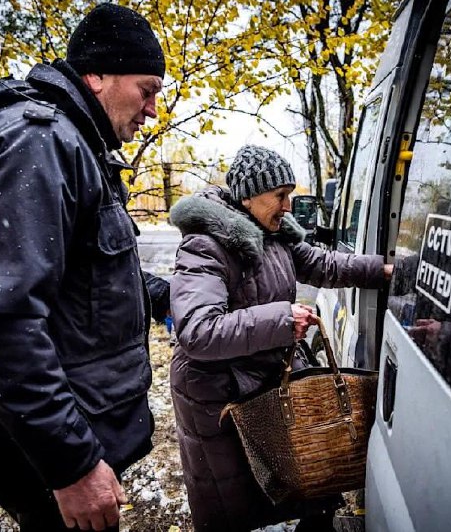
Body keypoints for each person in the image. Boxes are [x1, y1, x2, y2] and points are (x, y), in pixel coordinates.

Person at [0, 4, 169, 531]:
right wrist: (72, 465)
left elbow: (80, 278)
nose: (153, 109)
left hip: (74, 433)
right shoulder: (37, 141)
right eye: (147, 88)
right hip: (48, 459)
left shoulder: (74, 144)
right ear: (97, 76)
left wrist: (163, 296)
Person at [168, 145, 394, 531]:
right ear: (247, 196)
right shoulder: (205, 245)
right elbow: (198, 331)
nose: (288, 206)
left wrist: (389, 270)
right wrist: (281, 319)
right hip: (220, 399)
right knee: (238, 509)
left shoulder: (275, 235)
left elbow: (326, 264)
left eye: (290, 194)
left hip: (262, 383)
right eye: (280, 196)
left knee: (306, 489)